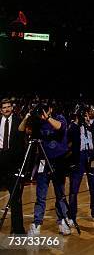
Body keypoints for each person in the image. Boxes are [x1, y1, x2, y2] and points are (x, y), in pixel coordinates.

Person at [20, 101, 72, 237]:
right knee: (40, 195)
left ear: (50, 109)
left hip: (58, 161)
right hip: (43, 160)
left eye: (45, 109)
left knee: (60, 195)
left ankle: (62, 222)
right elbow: (24, 131)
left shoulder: (59, 118)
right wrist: (28, 117)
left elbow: (60, 128)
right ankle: (37, 224)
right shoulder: (37, 122)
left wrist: (47, 118)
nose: (43, 112)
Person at [67, 106, 94, 223]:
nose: (85, 116)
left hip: (92, 155)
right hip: (79, 157)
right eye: (82, 114)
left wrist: (89, 124)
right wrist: (78, 122)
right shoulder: (73, 126)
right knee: (74, 188)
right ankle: (71, 215)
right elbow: (69, 136)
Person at [0, 98, 26, 235]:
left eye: (9, 106)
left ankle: (18, 230)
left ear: (12, 108)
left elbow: (22, 144)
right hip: (0, 160)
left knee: (15, 197)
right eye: (4, 107)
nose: (7, 109)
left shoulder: (18, 121)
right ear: (1, 110)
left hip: (13, 162)